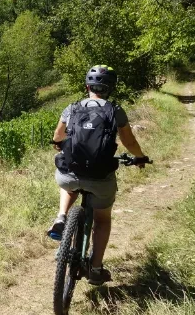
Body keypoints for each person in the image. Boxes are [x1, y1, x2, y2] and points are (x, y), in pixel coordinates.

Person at [47, 65, 148, 285]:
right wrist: (140, 157)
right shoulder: (115, 110)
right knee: (102, 220)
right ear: (110, 88)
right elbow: (129, 142)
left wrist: (58, 144)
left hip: (71, 173)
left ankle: (61, 216)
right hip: (101, 178)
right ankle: (95, 268)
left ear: (87, 86)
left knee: (68, 182)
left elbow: (58, 135)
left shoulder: (72, 107)